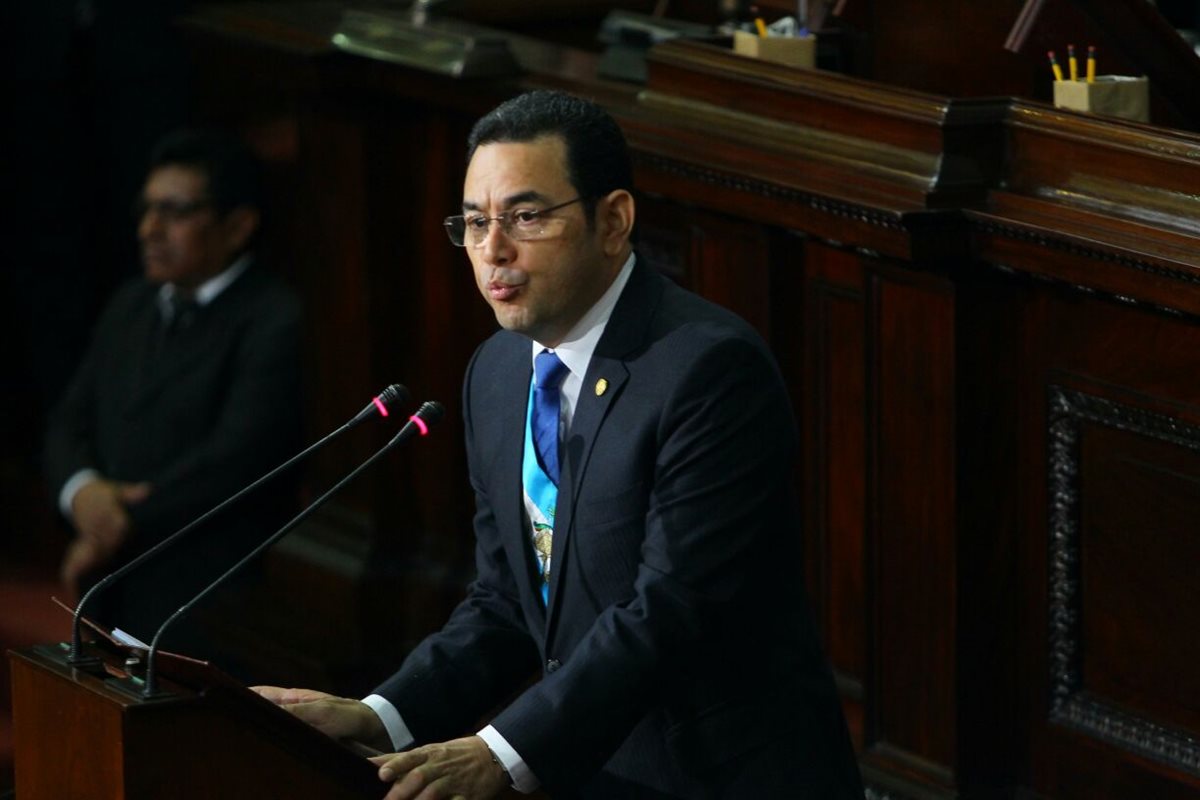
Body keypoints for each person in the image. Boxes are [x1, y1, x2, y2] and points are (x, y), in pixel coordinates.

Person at [256, 90, 862, 799]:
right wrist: (382, 716)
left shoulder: (707, 370)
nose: (492, 249)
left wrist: (499, 751)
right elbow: (507, 600)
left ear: (613, 221)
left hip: (717, 777)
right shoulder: (500, 372)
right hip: (588, 771)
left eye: (525, 216)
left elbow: (669, 608)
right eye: (476, 222)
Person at [43, 128, 304, 654]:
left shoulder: (275, 318)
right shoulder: (132, 303)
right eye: (147, 208)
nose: (148, 229)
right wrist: (82, 491)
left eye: (175, 211)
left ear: (237, 225)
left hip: (205, 593)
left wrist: (117, 521)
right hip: (110, 572)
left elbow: (237, 460)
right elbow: (70, 420)